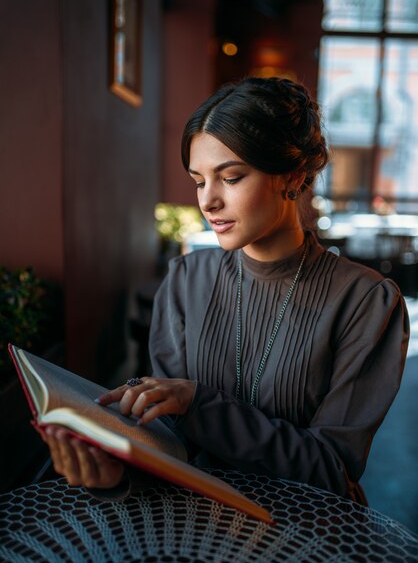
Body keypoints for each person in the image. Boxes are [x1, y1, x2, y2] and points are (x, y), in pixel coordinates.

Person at [44, 77, 409, 504]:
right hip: (194, 529)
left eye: (230, 177)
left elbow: (330, 470)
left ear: (291, 176)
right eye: (199, 181)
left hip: (303, 540)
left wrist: (199, 404)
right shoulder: (184, 281)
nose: (208, 201)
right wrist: (116, 472)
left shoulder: (365, 302)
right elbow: (171, 444)